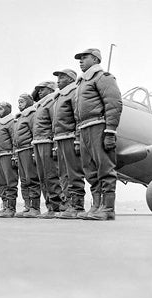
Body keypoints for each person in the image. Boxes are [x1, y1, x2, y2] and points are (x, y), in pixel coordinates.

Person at [74, 48, 123, 220]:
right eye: (79, 58)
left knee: (105, 168)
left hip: (99, 126)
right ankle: (96, 206)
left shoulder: (103, 77)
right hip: (84, 129)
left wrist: (110, 131)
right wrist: (77, 138)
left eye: (84, 57)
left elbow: (114, 104)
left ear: (95, 60)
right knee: (90, 171)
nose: (80, 61)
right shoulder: (81, 84)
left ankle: (108, 209)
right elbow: (76, 114)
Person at [52, 68, 86, 219]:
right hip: (60, 138)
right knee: (63, 174)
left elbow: (78, 117)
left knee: (74, 173)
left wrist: (78, 139)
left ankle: (77, 205)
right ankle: (68, 204)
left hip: (70, 137)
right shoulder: (59, 97)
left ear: (71, 79)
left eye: (62, 77)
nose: (58, 80)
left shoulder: (74, 93)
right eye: (57, 77)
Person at [32, 81, 63, 218]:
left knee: (51, 175)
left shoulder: (52, 102)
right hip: (38, 142)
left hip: (47, 141)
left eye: (42, 89)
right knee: (43, 177)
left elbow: (55, 123)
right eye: (38, 90)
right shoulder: (40, 105)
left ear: (50, 90)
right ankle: (50, 206)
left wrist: (55, 145)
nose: (39, 92)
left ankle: (57, 206)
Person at [13, 94, 41, 218]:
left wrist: (35, 152)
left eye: (22, 102)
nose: (19, 104)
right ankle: (27, 206)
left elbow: (35, 132)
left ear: (29, 102)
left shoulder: (32, 115)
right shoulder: (19, 118)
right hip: (19, 151)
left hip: (28, 149)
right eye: (18, 102)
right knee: (24, 180)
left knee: (31, 178)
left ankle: (35, 207)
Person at [0, 102, 18, 217]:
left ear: (8, 110)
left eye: (0, 109)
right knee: (1, 183)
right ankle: (5, 205)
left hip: (8, 155)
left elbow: (15, 139)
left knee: (10, 182)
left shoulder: (11, 122)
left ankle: (11, 207)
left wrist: (14, 155)